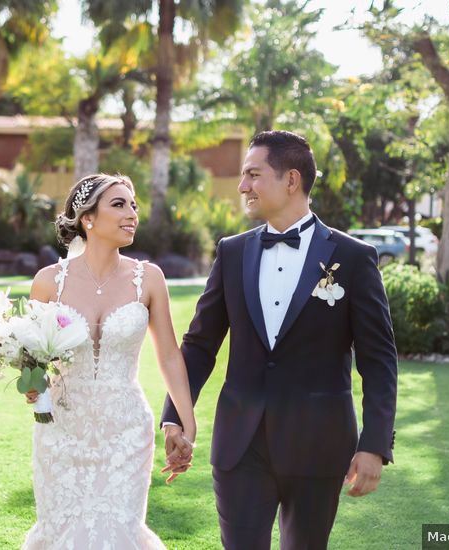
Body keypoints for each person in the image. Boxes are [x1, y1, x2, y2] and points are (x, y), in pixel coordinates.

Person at [160, 130, 398, 549]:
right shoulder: (231, 253)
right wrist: (175, 416)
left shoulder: (355, 258)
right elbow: (199, 345)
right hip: (240, 446)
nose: (242, 186)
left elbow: (378, 362)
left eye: (253, 174)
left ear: (291, 180)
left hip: (319, 445)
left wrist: (375, 445)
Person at [22, 173, 197, 549]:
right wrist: (37, 396)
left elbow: (168, 354)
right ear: (87, 218)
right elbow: (31, 362)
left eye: (133, 205)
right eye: (118, 205)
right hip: (62, 431)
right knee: (61, 531)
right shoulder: (48, 281)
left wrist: (187, 423)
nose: (131, 213)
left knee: (117, 531)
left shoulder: (149, 278)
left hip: (126, 430)